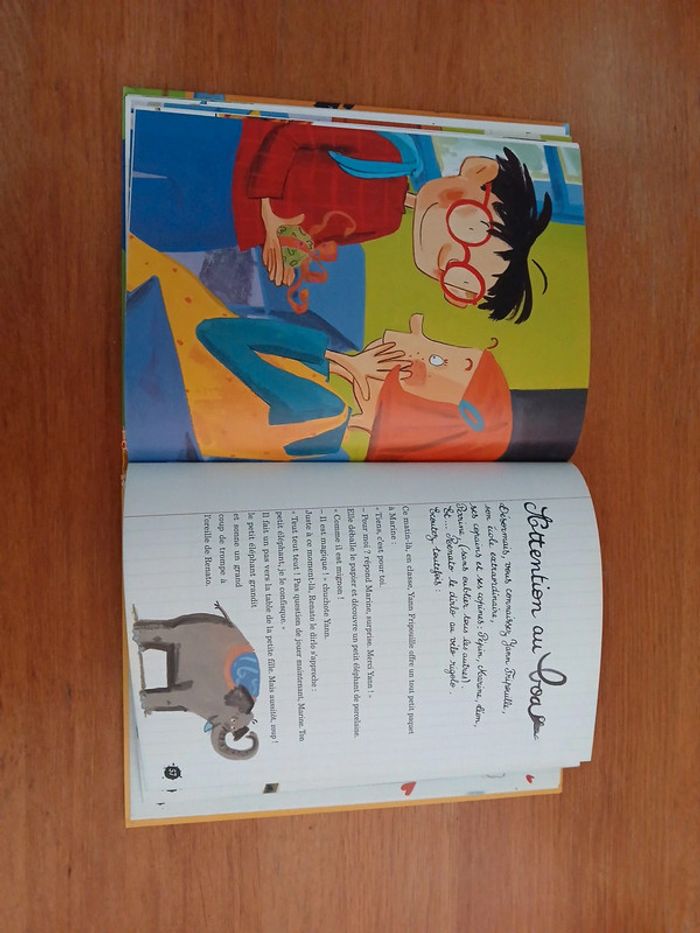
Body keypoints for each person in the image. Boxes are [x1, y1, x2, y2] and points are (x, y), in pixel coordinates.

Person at [130, 110, 551, 325]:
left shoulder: (389, 223)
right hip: (228, 156)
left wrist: (287, 255)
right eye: (471, 228)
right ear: (478, 172)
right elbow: (292, 133)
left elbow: (314, 231)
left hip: (230, 224)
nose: (445, 253)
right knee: (134, 140)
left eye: (460, 278)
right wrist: (270, 210)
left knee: (132, 227)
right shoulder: (390, 154)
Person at [195, 313, 512, 461]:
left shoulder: (325, 410)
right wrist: (341, 365)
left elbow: (215, 332)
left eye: (434, 358)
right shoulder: (336, 430)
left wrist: (339, 360)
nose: (410, 329)